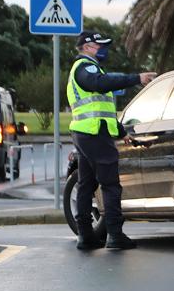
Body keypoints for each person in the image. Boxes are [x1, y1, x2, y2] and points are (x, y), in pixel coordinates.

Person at [67, 31, 156, 251]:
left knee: (86, 184)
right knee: (111, 185)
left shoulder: (90, 68)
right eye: (100, 45)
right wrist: (136, 78)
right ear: (88, 47)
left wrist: (121, 132)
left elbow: (102, 111)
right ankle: (115, 235)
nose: (103, 49)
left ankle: (86, 236)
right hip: (93, 134)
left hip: (88, 133)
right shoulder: (84, 68)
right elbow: (98, 84)